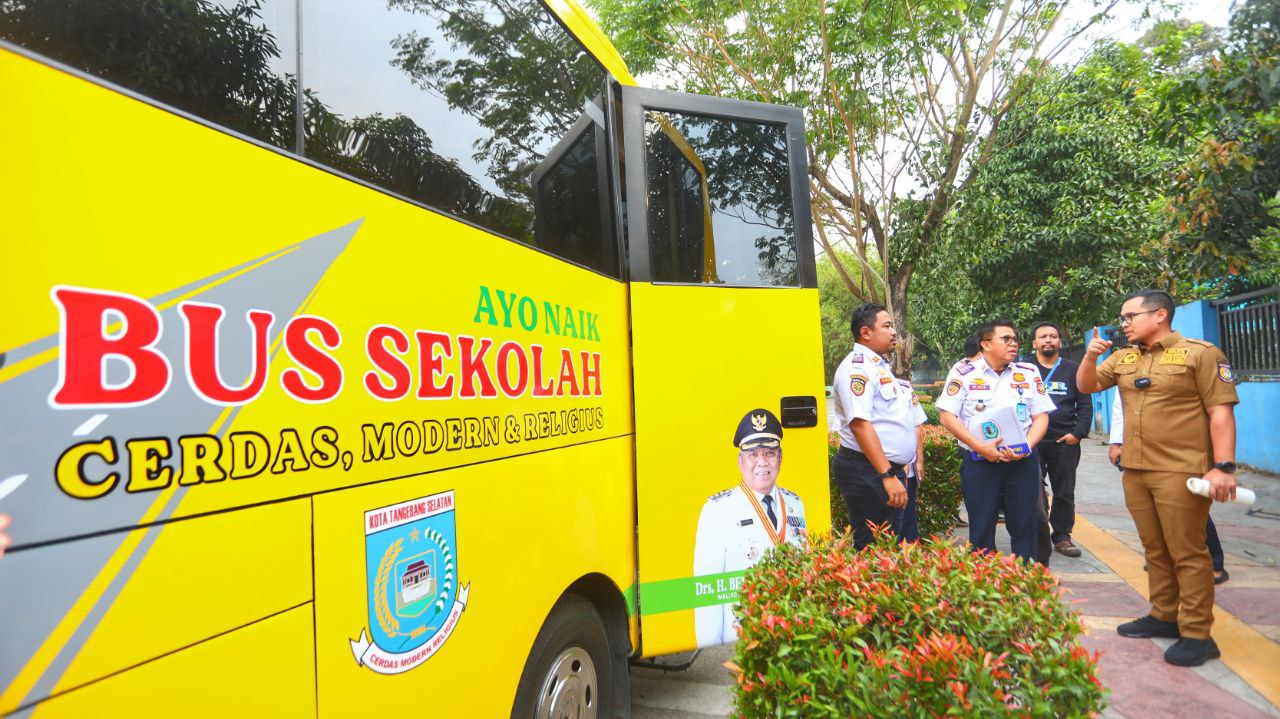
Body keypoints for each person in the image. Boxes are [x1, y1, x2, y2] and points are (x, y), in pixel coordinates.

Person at [1079, 289, 1238, 667]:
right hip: (1136, 469)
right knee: (1155, 549)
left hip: (1181, 469)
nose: (1124, 323)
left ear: (1160, 314)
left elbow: (1220, 413)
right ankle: (1164, 615)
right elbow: (1087, 386)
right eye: (1122, 318)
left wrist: (1224, 466)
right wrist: (1089, 355)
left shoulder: (1202, 354)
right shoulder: (1123, 357)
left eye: (1130, 316)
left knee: (1188, 551)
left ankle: (1198, 634)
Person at [936, 320, 1054, 562]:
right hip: (980, 461)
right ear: (986, 345)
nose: (1014, 343)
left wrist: (1026, 447)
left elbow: (1041, 416)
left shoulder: (1028, 373)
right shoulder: (963, 373)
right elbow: (947, 416)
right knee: (981, 525)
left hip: (1022, 462)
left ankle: (1025, 577)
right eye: (1006, 339)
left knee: (1025, 523)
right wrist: (981, 447)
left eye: (1015, 339)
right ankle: (984, 579)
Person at [693, 408, 807, 646]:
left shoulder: (795, 505)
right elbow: (707, 593)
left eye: (769, 453)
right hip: (741, 641)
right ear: (740, 461)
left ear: (780, 457)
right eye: (753, 454)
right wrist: (712, 650)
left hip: (792, 635)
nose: (762, 463)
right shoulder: (717, 511)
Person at [829, 304, 927, 550]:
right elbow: (860, 425)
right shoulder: (857, 368)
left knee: (889, 545)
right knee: (874, 549)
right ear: (866, 332)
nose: (894, 331)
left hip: (885, 471)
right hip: (869, 471)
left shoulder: (879, 367)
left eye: (892, 325)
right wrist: (887, 475)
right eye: (887, 326)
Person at [1109, 392, 1228, 584]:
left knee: (1187, 507)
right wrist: (1116, 442)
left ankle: (1215, 564)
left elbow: (1218, 410)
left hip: (1178, 452)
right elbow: (1120, 405)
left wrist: (1223, 465)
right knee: (1154, 510)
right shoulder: (1128, 363)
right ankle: (1163, 562)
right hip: (1141, 452)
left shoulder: (1190, 362)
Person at [1029, 322, 1093, 558]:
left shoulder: (1074, 369)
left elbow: (1085, 405)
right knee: (1033, 490)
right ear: (1034, 343)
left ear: (1059, 342)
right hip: (1031, 442)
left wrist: (1076, 434)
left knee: (1064, 491)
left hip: (1064, 441)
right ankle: (1039, 534)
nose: (1048, 340)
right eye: (1043, 336)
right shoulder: (1023, 370)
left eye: (1053, 336)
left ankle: (1062, 536)